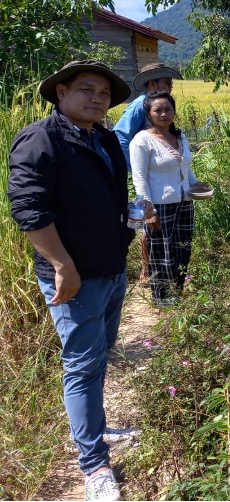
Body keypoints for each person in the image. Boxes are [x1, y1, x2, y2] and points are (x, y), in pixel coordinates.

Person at [7, 60, 139, 501]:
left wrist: (130, 224)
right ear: (61, 93)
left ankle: (96, 431)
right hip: (75, 276)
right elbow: (29, 211)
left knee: (99, 357)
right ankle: (93, 464)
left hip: (111, 267)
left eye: (104, 93)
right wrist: (63, 265)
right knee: (82, 365)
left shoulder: (101, 137)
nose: (98, 98)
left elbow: (108, 198)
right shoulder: (41, 139)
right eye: (87, 89)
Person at [129, 91, 205, 306]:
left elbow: (186, 169)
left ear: (174, 111)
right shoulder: (142, 141)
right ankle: (162, 299)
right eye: (158, 110)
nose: (164, 114)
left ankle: (178, 293)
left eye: (168, 109)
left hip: (184, 203)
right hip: (159, 206)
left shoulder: (180, 136)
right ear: (149, 114)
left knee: (183, 248)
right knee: (162, 252)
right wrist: (148, 210)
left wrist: (196, 184)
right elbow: (139, 178)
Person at [113, 63, 183, 287]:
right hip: (144, 175)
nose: (170, 85)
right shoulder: (138, 106)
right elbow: (120, 137)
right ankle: (146, 272)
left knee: (153, 222)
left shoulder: (158, 105)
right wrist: (135, 168)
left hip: (156, 174)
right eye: (166, 81)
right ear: (152, 83)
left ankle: (151, 269)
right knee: (149, 220)